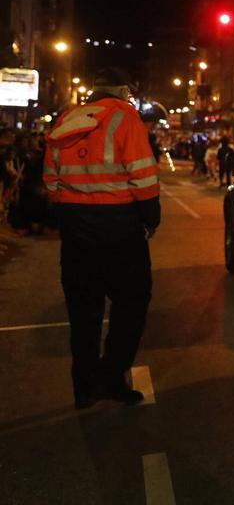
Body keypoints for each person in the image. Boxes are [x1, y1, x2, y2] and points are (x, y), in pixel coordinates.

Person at [44, 68, 160, 408]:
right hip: (118, 227)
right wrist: (150, 217)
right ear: (123, 90)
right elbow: (142, 173)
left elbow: (51, 178)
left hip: (76, 227)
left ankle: (83, 385)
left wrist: (67, 213)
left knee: (83, 311)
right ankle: (111, 378)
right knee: (131, 303)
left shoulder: (67, 117)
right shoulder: (125, 117)